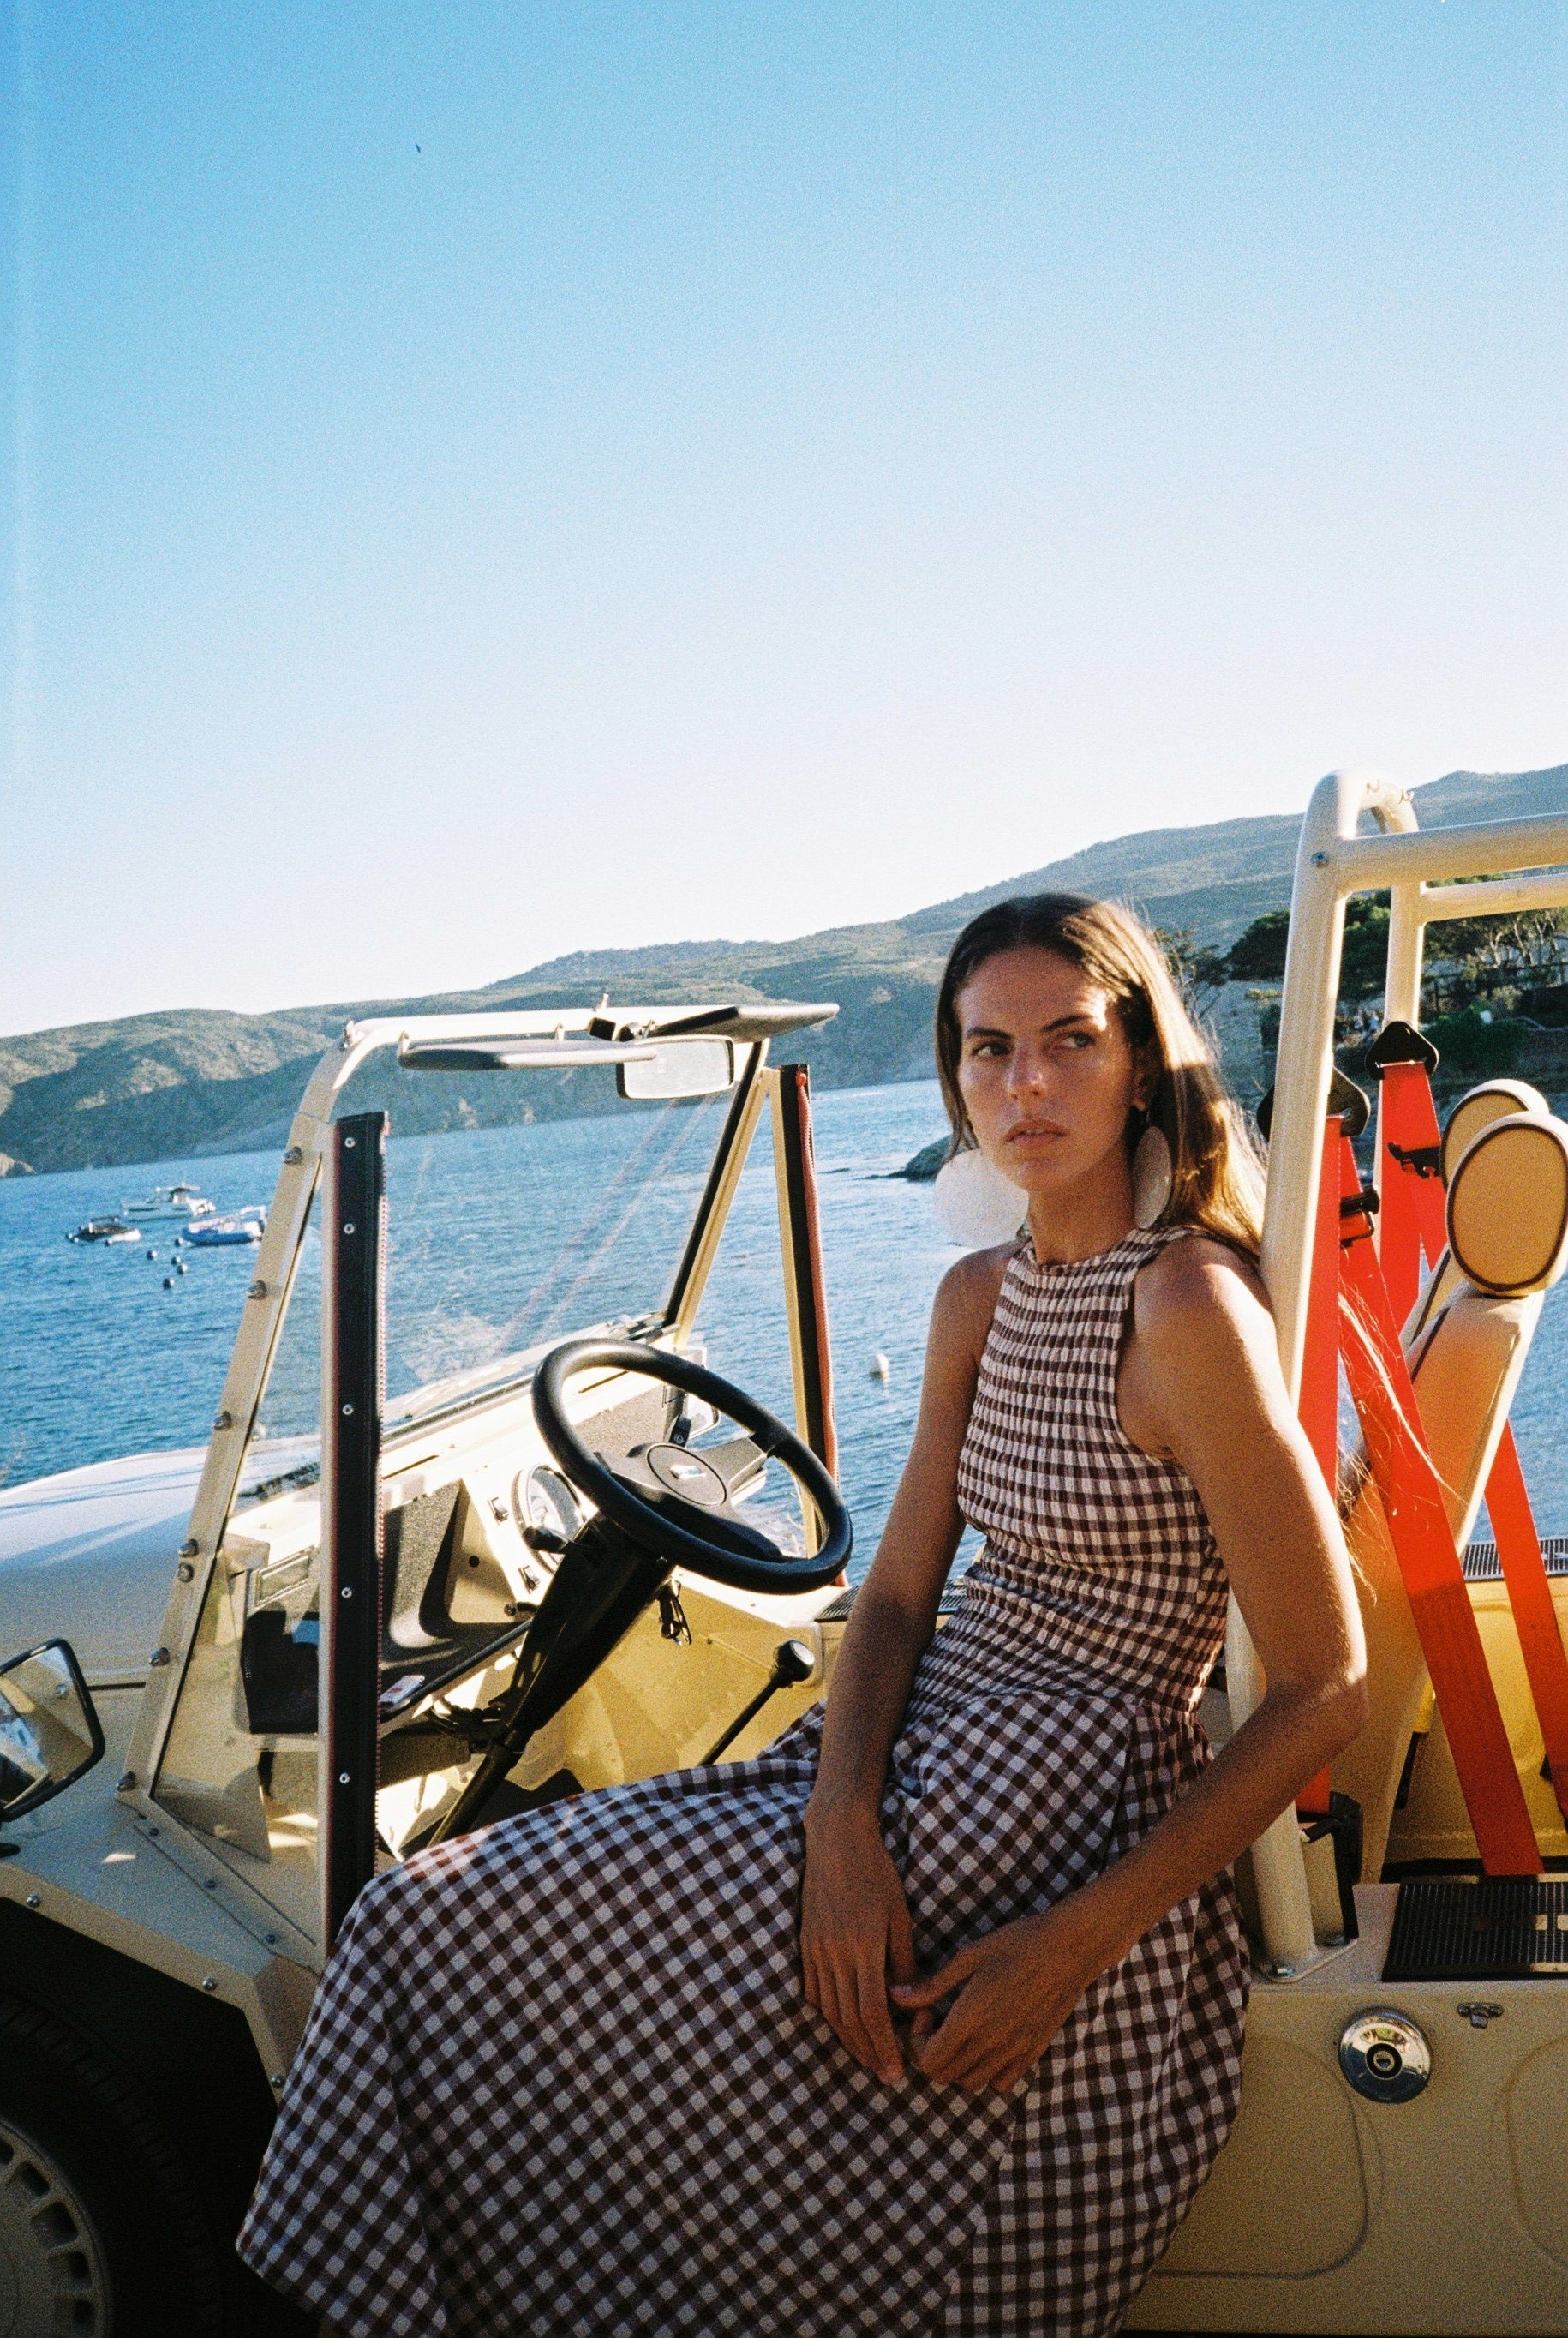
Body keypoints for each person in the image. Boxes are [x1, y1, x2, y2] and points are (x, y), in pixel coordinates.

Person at [239, 891, 1366, 2338]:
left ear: (1140, 1062)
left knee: (422, 1920)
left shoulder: (1185, 1306)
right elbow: (893, 1596)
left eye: (1069, 1042)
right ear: (955, 1078)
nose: (1025, 1085)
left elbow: (1323, 1680)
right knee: (435, 1927)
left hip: (1058, 1792)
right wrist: (840, 1826)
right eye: (988, 1050)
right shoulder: (981, 1295)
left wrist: (1068, 1946)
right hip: (919, 1742)